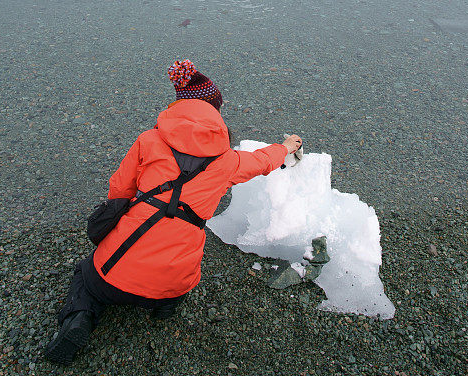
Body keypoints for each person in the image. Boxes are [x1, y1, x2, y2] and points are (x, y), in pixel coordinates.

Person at [45, 59, 302, 365]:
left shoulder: (149, 141)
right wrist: (285, 147)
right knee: (180, 269)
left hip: (114, 274)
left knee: (87, 277)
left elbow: (118, 191)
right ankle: (165, 308)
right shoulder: (227, 162)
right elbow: (261, 161)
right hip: (174, 284)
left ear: (180, 108)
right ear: (215, 113)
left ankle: (80, 319)